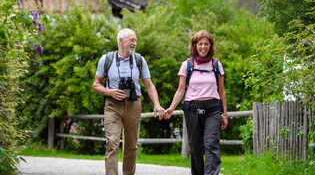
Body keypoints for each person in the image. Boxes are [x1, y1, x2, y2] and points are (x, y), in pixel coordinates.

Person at [92, 28, 165, 175]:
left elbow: (149, 85)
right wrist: (109, 92)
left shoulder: (139, 60)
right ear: (120, 40)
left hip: (133, 104)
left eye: (136, 40)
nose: (134, 43)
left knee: (131, 145)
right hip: (112, 105)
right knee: (112, 142)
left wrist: (157, 104)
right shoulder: (106, 59)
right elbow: (95, 84)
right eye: (131, 40)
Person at [164, 30, 228, 175]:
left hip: (213, 109)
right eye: (200, 44)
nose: (203, 47)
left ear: (210, 46)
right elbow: (180, 91)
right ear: (195, 46)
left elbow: (222, 91)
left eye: (206, 44)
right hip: (192, 109)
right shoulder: (187, 65)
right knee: (195, 146)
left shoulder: (216, 65)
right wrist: (171, 108)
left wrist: (224, 114)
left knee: (211, 144)